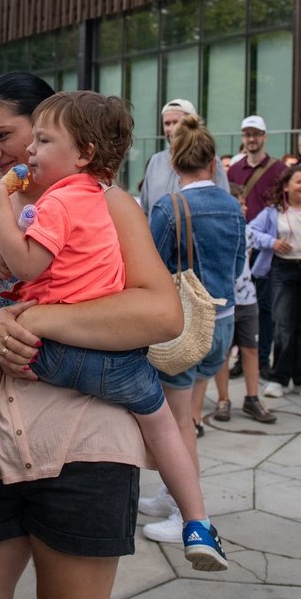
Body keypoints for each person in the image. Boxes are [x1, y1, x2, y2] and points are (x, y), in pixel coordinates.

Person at [0, 92, 226, 570]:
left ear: (75, 145)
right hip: (1, 463)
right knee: (165, 424)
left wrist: (35, 319)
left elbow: (163, 315)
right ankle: (198, 521)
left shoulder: (103, 204)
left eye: (8, 137)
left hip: (87, 450)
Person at [142, 115, 245, 545]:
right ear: (212, 161)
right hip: (222, 325)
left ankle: (189, 513)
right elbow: (237, 267)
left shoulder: (169, 206)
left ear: (174, 161)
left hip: (182, 329)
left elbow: (149, 270)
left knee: (180, 424)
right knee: (188, 418)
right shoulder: (233, 206)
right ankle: (171, 493)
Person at [228, 115, 287, 378]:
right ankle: (241, 358)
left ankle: (261, 359)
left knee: (263, 308)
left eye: (256, 134)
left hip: (265, 249)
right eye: (247, 135)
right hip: (237, 245)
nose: (251, 139)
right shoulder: (234, 169)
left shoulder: (278, 169)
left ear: (264, 136)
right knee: (238, 307)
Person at [212, 184, 276, 423]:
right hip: (224, 299)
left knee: (251, 348)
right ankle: (223, 399)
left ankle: (252, 398)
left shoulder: (248, 231)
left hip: (248, 299)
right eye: (240, 203)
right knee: (223, 352)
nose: (245, 207)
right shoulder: (217, 231)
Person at [252, 165, 301, 398]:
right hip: (283, 270)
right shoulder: (274, 211)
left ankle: (298, 377)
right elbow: (251, 230)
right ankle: (278, 378)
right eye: (298, 181)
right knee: (283, 325)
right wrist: (272, 242)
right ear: (286, 186)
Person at [138, 98, 228, 216]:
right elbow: (145, 209)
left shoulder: (209, 160)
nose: (171, 129)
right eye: (167, 123)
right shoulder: (155, 161)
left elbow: (224, 202)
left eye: (176, 122)